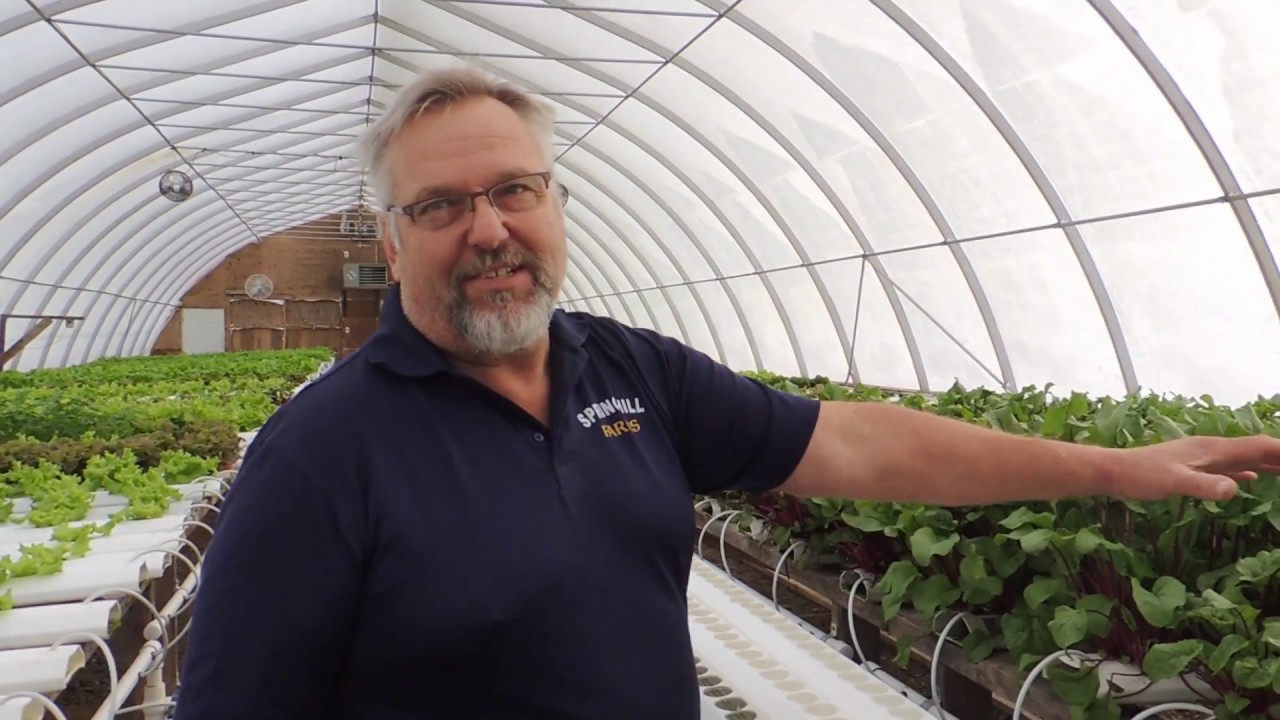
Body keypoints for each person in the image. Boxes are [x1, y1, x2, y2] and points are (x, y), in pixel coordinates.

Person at [171, 66, 1280, 720]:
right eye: (442, 206)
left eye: (515, 190)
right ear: (391, 237)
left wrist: (1110, 468)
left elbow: (853, 446)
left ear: (554, 201)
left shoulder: (626, 370)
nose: (489, 230)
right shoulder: (320, 454)